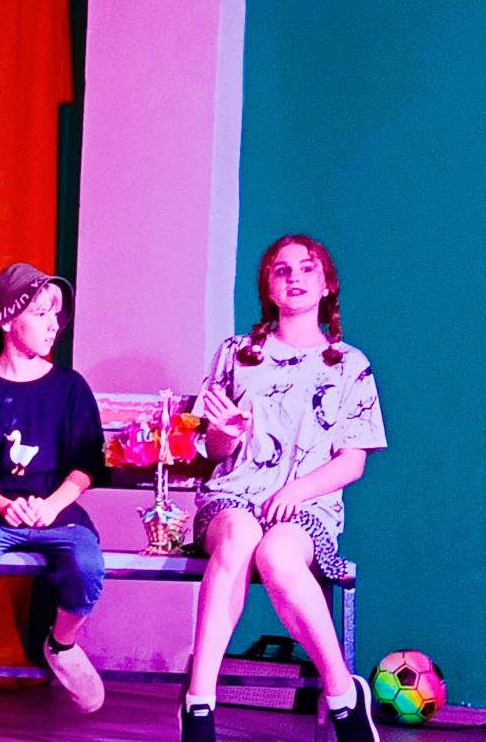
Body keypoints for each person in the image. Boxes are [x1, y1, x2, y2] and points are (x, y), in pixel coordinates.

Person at [180, 235, 386, 742]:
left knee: (277, 555)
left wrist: (297, 491)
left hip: (305, 506)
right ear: (269, 289)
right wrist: (226, 435)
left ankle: (343, 695)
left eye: (307, 268)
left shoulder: (349, 365)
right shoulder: (237, 354)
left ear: (326, 285)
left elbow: (353, 461)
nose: (295, 277)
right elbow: (210, 449)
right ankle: (199, 703)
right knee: (240, 537)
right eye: (282, 270)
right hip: (232, 498)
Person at [0, 262, 107, 714]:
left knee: (87, 564)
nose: (53, 325)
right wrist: (4, 506)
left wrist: (51, 506)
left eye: (56, 314)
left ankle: (62, 645)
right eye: (41, 313)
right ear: (8, 321)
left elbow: (85, 467)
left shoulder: (70, 387)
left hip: (57, 511)